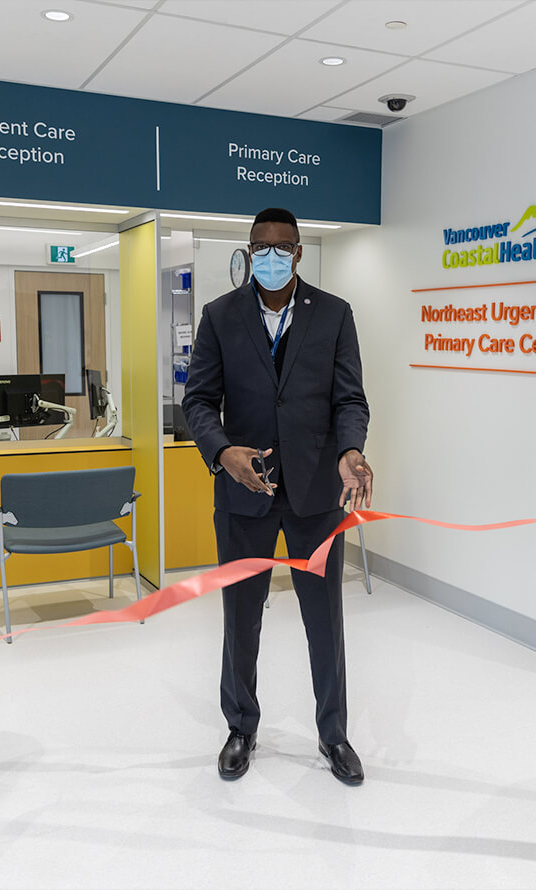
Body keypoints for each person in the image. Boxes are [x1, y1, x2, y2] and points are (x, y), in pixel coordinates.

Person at [182, 207, 373, 785]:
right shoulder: (220, 317)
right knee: (241, 619)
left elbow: (349, 400)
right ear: (248, 251)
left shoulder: (334, 315)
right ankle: (241, 728)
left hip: (316, 493)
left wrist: (350, 450)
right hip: (245, 493)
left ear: (297, 252)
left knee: (325, 620)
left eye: (281, 246)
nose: (270, 255)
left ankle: (333, 734)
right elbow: (197, 401)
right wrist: (221, 452)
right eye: (259, 246)